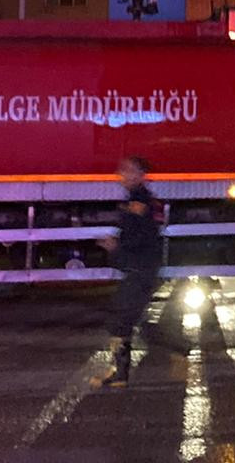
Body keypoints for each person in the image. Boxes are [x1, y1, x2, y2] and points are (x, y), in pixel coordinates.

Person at [96, 155, 164, 387]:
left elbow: (142, 236)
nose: (123, 175)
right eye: (122, 170)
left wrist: (117, 246)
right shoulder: (135, 199)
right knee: (121, 316)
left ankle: (120, 373)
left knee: (122, 318)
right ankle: (119, 372)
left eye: (129, 171)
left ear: (141, 174)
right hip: (138, 267)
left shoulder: (140, 201)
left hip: (140, 268)